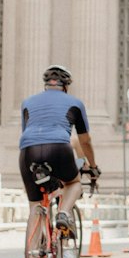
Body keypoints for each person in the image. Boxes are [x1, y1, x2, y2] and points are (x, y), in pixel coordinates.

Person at [19, 65, 100, 243]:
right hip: (58, 149)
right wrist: (93, 167)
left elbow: (27, 133)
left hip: (28, 151)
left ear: (45, 85)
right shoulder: (75, 103)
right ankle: (63, 213)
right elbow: (85, 141)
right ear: (66, 87)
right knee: (73, 183)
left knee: (35, 206)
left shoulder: (27, 102)